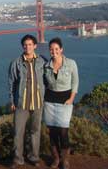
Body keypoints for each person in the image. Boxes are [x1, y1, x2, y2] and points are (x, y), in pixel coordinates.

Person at [8, 34, 47, 168]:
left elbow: (47, 80)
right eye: (25, 45)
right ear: (22, 46)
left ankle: (34, 157)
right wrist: (12, 101)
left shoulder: (42, 61)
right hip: (21, 103)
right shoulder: (16, 63)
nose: (27, 47)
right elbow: (11, 83)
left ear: (35, 46)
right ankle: (18, 158)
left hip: (38, 102)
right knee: (18, 132)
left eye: (30, 44)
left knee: (35, 131)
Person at [43, 37, 79, 169]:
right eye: (51, 49)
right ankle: (56, 159)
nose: (54, 51)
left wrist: (71, 99)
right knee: (52, 132)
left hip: (65, 102)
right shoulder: (46, 66)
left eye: (56, 49)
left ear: (61, 49)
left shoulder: (71, 63)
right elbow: (43, 84)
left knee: (63, 131)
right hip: (49, 102)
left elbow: (75, 83)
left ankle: (65, 160)